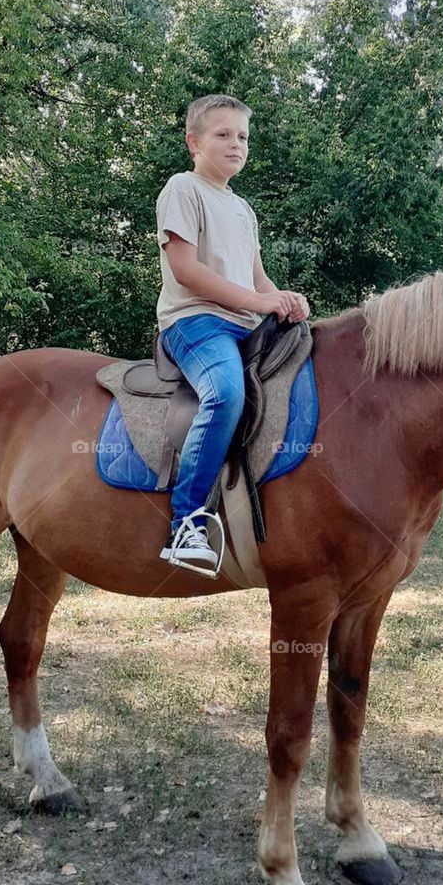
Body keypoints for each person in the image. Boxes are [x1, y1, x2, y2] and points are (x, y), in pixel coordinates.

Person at [155, 94, 309, 573]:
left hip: (245, 323)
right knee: (224, 393)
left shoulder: (243, 208)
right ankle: (186, 524)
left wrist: (283, 299)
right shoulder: (183, 188)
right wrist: (255, 301)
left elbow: (257, 279)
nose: (235, 144)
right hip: (194, 322)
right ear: (193, 142)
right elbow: (185, 270)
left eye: (242, 136)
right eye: (222, 135)